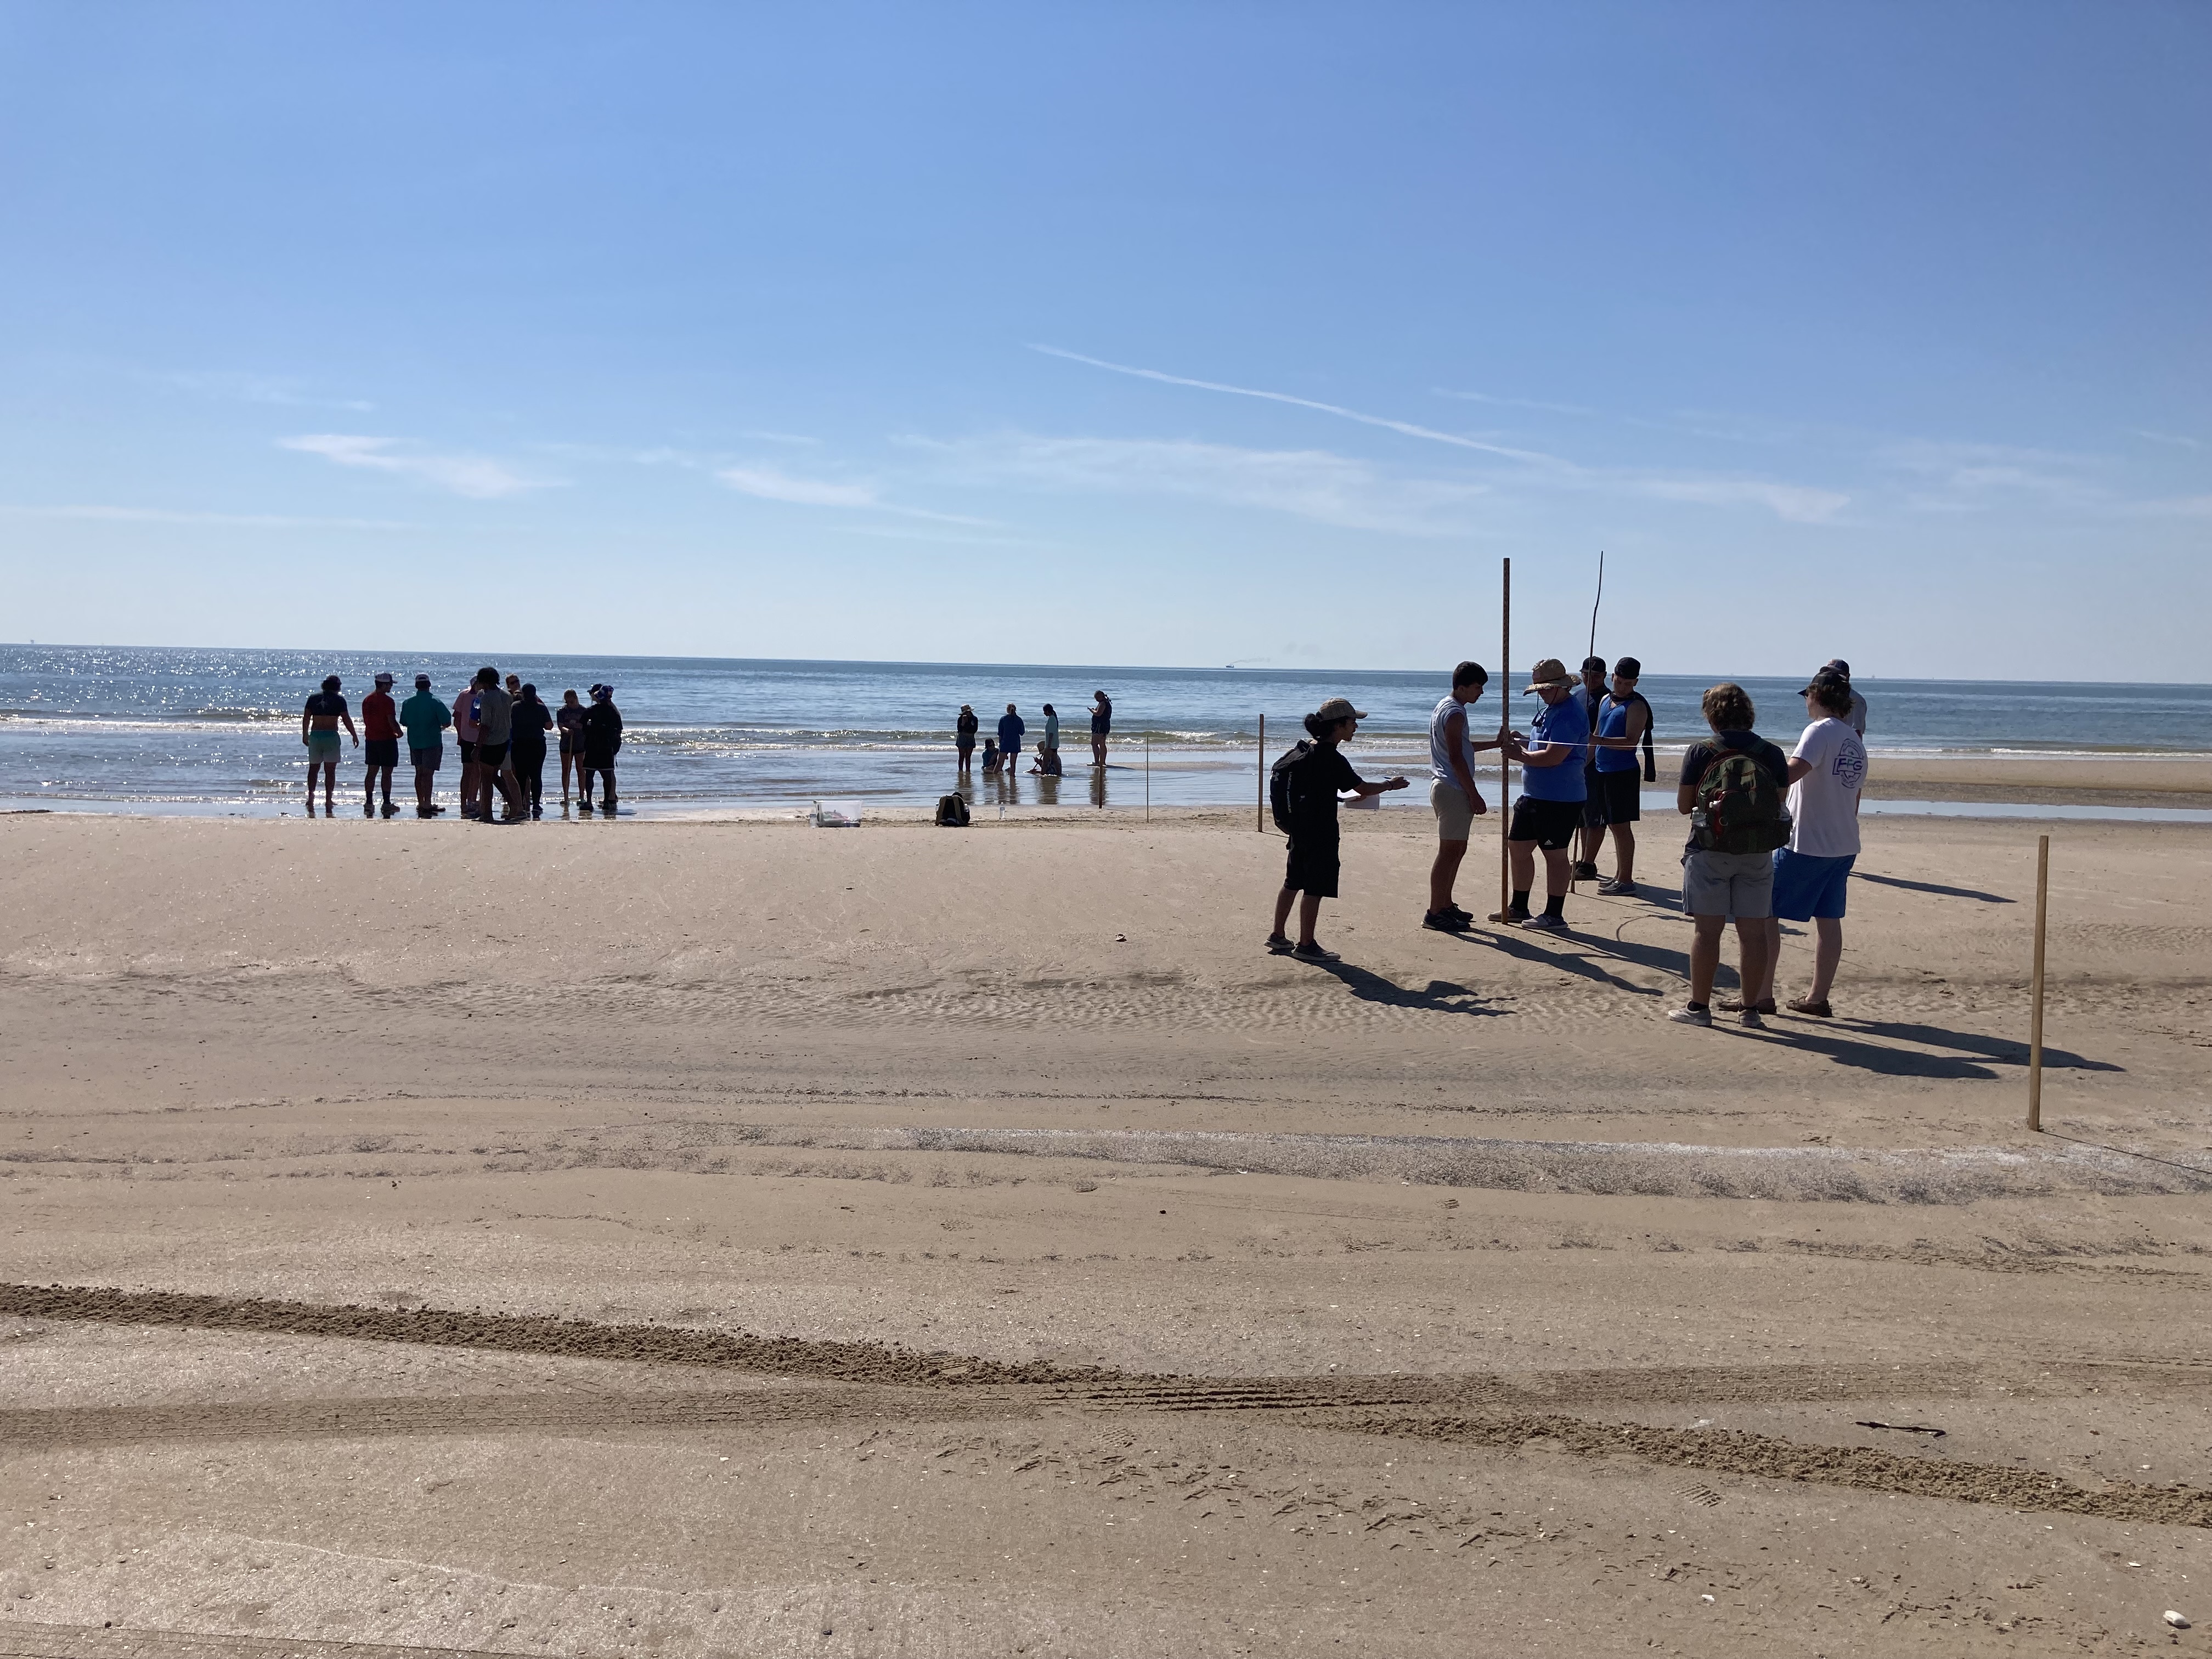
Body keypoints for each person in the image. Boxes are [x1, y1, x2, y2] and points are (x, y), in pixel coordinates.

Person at [1740, 668, 1867, 1019]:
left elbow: (1789, 773)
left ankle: (1761, 994)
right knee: (1828, 920)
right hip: (1843, 843)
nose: (1806, 703)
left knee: (1766, 914)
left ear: (1817, 696)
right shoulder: (1853, 738)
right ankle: (1817, 997)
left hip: (1807, 843)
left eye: (1807, 696)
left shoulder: (1819, 730)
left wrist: (1749, 767)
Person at [1669, 684, 1790, 1029]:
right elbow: (1778, 803)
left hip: (1709, 849)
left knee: (1707, 934)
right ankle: (1750, 1011)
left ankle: (1699, 1009)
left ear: (1712, 716)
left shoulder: (1701, 752)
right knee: (1753, 935)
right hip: (1757, 852)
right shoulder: (1771, 753)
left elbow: (1682, 806)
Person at [1267, 698, 1409, 959]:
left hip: (1299, 828)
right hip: (1320, 831)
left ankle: (1278, 936)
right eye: (1353, 722)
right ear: (1338, 725)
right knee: (1314, 888)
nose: (1356, 727)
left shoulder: (1305, 750)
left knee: (1292, 882)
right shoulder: (1331, 756)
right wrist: (1391, 785)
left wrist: (1341, 799)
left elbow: (1315, 789)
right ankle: (1307, 945)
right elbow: (1363, 788)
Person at [1497, 658, 1589, 932]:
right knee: (1518, 847)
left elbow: (1553, 757)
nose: (1542, 693)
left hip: (1560, 797)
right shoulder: (1548, 709)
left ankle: (1554, 914)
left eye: (1547, 688)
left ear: (1562, 686)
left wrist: (1519, 754)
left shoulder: (1571, 714)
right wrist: (1523, 741)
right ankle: (1519, 905)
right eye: (1539, 689)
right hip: (1534, 794)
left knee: (1555, 854)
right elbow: (1542, 744)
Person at [1423, 661, 1502, 932]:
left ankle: (1445, 903)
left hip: (1446, 786)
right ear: (1462, 687)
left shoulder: (1446, 708)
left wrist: (1496, 743)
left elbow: (1462, 747)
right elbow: (1456, 757)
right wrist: (1474, 794)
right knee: (1448, 852)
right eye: (1477, 688)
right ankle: (1435, 911)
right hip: (1453, 788)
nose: (1481, 693)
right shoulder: (1455, 713)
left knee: (1457, 849)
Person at [1588, 656, 1656, 895]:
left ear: (1635, 682)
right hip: (1602, 770)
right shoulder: (1606, 699)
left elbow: (1630, 743)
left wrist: (1599, 741)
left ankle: (1626, 880)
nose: (1623, 687)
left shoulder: (1636, 706)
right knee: (1609, 823)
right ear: (1613, 678)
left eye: (1629, 684)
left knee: (1621, 826)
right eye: (1620, 682)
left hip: (1623, 772)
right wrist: (1584, 762)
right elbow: (1596, 733)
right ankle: (1619, 876)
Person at [1571, 655, 1610, 882]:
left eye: (1595, 676)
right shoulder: (1578, 696)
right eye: (1586, 675)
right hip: (1576, 761)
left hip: (1595, 764)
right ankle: (1583, 859)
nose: (1590, 679)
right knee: (1582, 814)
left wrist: (1585, 760)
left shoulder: (1607, 699)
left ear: (1604, 676)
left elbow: (1600, 737)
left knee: (1595, 814)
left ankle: (1589, 862)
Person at [299, 675, 357, 816]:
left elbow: (306, 718)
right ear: (337, 686)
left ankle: (311, 797)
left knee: (314, 768)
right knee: (330, 771)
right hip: (331, 736)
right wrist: (354, 735)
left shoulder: (313, 698)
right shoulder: (339, 700)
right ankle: (328, 799)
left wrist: (305, 734)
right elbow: (346, 719)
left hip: (316, 735)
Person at [470, 667, 520, 823]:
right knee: (494, 776)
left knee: (486, 779)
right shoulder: (507, 696)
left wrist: (477, 748)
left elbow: (485, 725)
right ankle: (513, 804)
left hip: (490, 742)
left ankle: (487, 814)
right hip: (504, 741)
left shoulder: (485, 698)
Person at [398, 673, 452, 817]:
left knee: (419, 772)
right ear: (429, 685)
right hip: (432, 741)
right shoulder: (436, 702)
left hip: (415, 741)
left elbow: (403, 721)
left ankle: (421, 802)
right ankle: (427, 803)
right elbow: (447, 721)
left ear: (417, 686)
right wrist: (440, 727)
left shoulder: (408, 703)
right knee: (428, 774)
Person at [360, 672, 403, 817]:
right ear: (384, 685)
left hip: (371, 739)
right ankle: (386, 802)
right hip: (386, 740)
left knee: (371, 772)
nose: (391, 686)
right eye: (390, 684)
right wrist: (399, 732)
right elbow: (391, 720)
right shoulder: (388, 701)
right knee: (387, 773)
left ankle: (369, 802)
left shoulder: (367, 700)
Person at [511, 683, 554, 819]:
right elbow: (549, 726)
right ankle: (536, 804)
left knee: (521, 776)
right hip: (537, 743)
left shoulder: (516, 706)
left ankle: (522, 804)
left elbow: (510, 723)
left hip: (520, 743)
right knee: (536, 775)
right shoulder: (540, 708)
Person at [579, 682, 623, 811]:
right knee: (607, 775)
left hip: (592, 746)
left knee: (590, 775)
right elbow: (619, 730)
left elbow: (582, 725)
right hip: (607, 747)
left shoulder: (592, 710)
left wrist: (589, 730)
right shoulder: (613, 713)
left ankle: (589, 802)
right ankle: (607, 802)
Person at [452, 680, 482, 818]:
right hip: (467, 737)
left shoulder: (484, 696)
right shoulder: (464, 695)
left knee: (479, 771)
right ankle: (464, 802)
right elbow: (457, 718)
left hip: (482, 738)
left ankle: (473, 800)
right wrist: (459, 735)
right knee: (468, 771)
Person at [1822, 658, 1868, 737]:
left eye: (1835, 673)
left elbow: (1857, 732)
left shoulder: (1856, 699)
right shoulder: (1826, 696)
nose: (1830, 676)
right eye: (1828, 673)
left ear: (1846, 676)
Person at [556, 689, 585, 805]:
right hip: (566, 743)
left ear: (576, 698)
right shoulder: (562, 711)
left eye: (572, 702)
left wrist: (581, 726)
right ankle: (566, 796)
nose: (570, 704)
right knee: (566, 769)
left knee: (581, 770)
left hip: (580, 743)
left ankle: (581, 796)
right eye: (568, 702)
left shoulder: (584, 711)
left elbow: (587, 725)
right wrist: (567, 730)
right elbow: (560, 726)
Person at [997, 704, 1026, 772]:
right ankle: (1012, 780)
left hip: (1005, 743)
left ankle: (994, 779)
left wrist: (1000, 744)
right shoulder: (1019, 720)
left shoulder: (1003, 719)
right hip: (1015, 743)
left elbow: (1000, 733)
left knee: (999, 763)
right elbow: (1022, 732)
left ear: (1007, 710)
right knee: (1013, 765)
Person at [1090, 690, 1112, 768]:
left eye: (1097, 698)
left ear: (1101, 697)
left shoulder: (1103, 703)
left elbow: (1098, 714)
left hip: (1099, 726)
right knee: (1102, 744)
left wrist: (1092, 710)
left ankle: (1097, 762)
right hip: (1104, 725)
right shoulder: (1106, 703)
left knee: (1095, 744)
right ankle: (1102, 762)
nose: (1096, 700)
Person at [956, 704, 979, 770]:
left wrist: (968, 725)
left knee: (968, 757)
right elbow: (959, 730)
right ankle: (960, 770)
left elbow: (975, 730)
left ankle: (968, 770)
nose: (968, 713)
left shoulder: (974, 719)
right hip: (962, 738)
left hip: (970, 738)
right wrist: (963, 723)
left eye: (969, 712)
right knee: (961, 756)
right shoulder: (960, 719)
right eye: (967, 712)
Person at [1041, 703, 1060, 767]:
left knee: (1045, 761)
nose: (1044, 713)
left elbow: (1051, 733)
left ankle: (1042, 775)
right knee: (1055, 760)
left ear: (1047, 711)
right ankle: (1059, 774)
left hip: (1051, 745)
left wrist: (1048, 745)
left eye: (1045, 711)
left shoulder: (1052, 719)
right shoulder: (1054, 718)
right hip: (1055, 744)